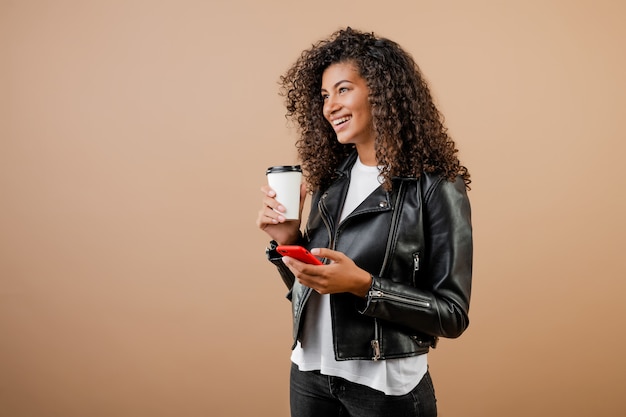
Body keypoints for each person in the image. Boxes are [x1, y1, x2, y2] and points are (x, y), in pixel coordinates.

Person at [256, 27, 472, 417]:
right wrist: (287, 242)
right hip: (309, 373)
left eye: (343, 90)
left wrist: (366, 287)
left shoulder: (435, 184)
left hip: (384, 387)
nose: (329, 107)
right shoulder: (330, 176)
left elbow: (452, 314)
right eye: (324, 96)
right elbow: (313, 287)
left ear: (382, 91)